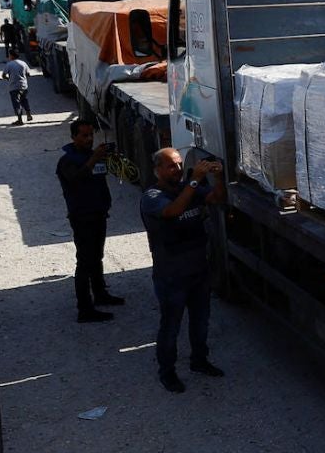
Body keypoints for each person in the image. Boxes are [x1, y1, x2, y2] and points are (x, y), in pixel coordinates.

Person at [140, 147, 226, 393]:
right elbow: (173, 211)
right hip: (171, 274)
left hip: (198, 270)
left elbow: (217, 198)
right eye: (170, 166)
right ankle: (167, 372)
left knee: (200, 322)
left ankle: (199, 361)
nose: (177, 170)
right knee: (171, 326)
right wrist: (195, 180)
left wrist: (217, 176)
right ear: (157, 169)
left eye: (179, 164)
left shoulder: (189, 188)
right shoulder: (153, 196)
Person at [57, 119, 125, 323]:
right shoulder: (67, 161)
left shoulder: (92, 156)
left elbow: (110, 174)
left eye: (90, 135)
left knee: (97, 256)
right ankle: (85, 308)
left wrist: (113, 160)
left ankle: (100, 293)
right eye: (84, 135)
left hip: (98, 213)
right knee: (85, 262)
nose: (88, 139)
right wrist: (94, 159)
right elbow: (76, 180)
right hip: (82, 217)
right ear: (73, 137)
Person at [2, 49, 32, 125]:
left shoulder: (9, 64)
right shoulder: (23, 63)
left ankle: (20, 119)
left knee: (16, 103)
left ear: (11, 56)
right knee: (24, 100)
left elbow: (3, 75)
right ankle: (28, 114)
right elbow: (28, 74)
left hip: (14, 87)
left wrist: (9, 79)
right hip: (24, 86)